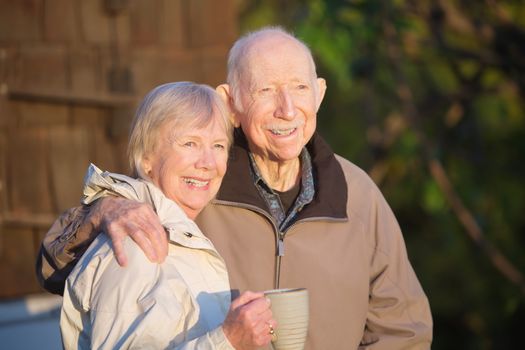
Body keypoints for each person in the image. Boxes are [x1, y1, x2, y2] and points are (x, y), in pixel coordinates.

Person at [37, 27, 433, 349]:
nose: (287, 109)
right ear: (231, 103)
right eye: (265, 90)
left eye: (299, 87)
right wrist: (100, 212)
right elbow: (58, 268)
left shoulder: (358, 194)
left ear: (320, 93)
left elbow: (404, 331)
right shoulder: (197, 185)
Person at [58, 82, 276, 349]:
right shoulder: (133, 245)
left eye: (218, 146)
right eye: (190, 143)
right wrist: (228, 340)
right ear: (146, 158)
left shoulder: (181, 236)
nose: (208, 162)